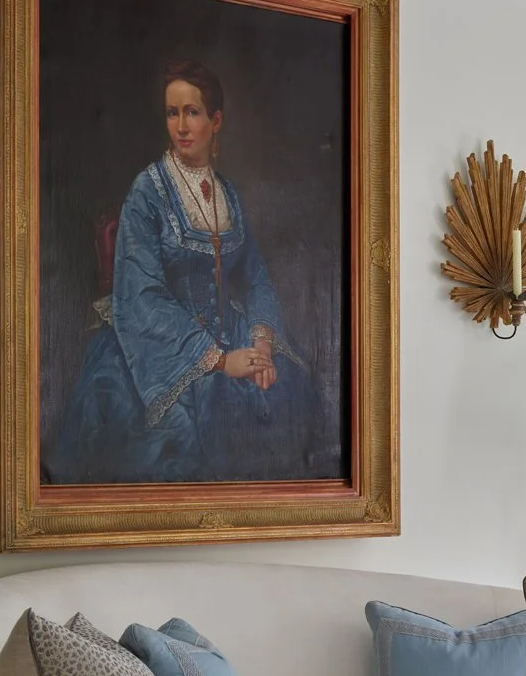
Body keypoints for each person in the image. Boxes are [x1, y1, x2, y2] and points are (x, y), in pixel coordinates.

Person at [48, 57, 324, 484]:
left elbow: (255, 277)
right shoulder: (147, 191)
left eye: (192, 112)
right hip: (156, 345)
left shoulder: (227, 194)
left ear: (215, 121)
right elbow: (141, 296)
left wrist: (260, 347)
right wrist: (217, 360)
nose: (180, 126)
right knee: (174, 434)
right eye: (172, 113)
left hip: (229, 331)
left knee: (290, 391)